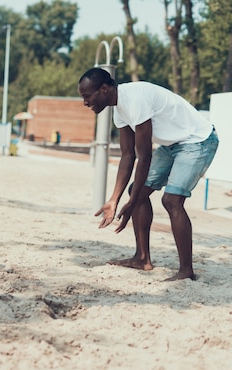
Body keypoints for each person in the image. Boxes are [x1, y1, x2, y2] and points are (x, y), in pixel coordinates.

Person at [78, 67, 219, 281]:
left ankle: (186, 271)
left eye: (87, 96)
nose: (85, 102)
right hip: (173, 144)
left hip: (198, 141)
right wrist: (114, 200)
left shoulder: (134, 100)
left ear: (104, 89)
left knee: (172, 200)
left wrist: (133, 203)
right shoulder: (119, 109)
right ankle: (142, 258)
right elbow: (128, 157)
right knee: (137, 189)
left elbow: (144, 158)